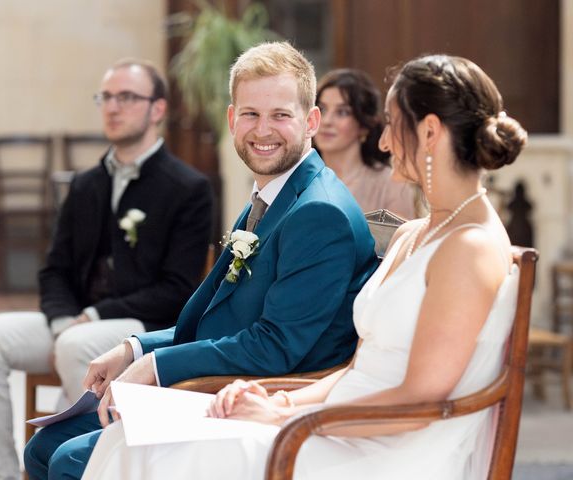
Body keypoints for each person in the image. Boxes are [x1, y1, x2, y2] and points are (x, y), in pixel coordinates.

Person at [76, 54, 528, 480]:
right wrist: (276, 397)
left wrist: (285, 414)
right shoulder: (415, 233)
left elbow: (421, 398)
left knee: (168, 452)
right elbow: (359, 369)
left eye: (392, 125)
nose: (385, 141)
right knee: (134, 442)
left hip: (386, 444)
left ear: (430, 132)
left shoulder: (469, 248)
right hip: (338, 415)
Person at [23, 41, 379, 479]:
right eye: (250, 114)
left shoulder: (317, 212)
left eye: (280, 115)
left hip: (254, 397)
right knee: (45, 445)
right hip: (215, 378)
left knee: (69, 459)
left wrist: (155, 367)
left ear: (310, 121)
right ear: (232, 120)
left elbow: (276, 348)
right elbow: (215, 317)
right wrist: (135, 348)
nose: (262, 130)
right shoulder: (271, 196)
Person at [0, 59, 213, 480]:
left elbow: (178, 289)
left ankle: (77, 466)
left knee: (78, 343)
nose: (113, 107)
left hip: (137, 326)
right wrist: (62, 318)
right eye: (106, 97)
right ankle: (4, 472)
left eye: (127, 97)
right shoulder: (84, 184)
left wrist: (92, 318)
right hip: (74, 322)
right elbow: (55, 269)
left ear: (157, 110)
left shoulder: (188, 188)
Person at [315, 68, 417, 219]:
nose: (326, 121)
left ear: (364, 125)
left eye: (342, 112)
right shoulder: (299, 181)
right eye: (322, 109)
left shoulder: (391, 184)